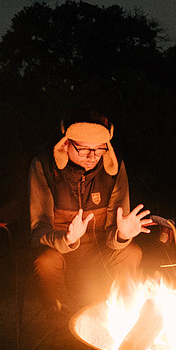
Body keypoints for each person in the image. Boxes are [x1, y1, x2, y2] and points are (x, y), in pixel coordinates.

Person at [28, 108, 153, 312]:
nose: (93, 157)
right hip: (60, 252)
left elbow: (116, 232)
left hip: (99, 253)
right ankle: (60, 320)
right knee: (45, 262)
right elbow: (38, 232)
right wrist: (67, 239)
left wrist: (122, 235)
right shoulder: (44, 166)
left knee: (131, 252)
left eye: (100, 149)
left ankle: (121, 314)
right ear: (66, 144)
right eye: (84, 149)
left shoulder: (112, 169)